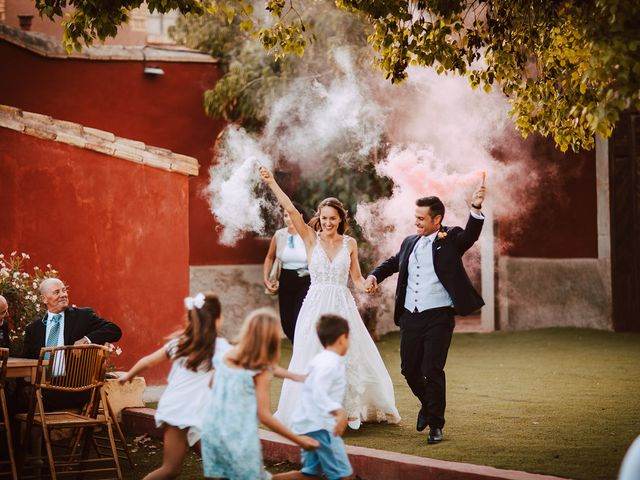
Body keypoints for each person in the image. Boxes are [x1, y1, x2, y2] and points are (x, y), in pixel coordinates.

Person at [259, 166, 400, 430]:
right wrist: (272, 182)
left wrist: (368, 284)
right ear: (319, 218)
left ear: (341, 219)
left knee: (350, 356)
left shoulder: (350, 244)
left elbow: (356, 279)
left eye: (333, 218)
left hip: (343, 303)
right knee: (310, 354)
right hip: (315, 304)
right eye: (324, 218)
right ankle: (311, 411)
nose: (328, 222)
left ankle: (347, 411)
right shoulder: (310, 239)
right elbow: (290, 210)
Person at [366, 183, 486, 444]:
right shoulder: (410, 242)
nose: (416, 222)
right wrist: (375, 275)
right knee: (409, 369)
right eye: (416, 218)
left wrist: (475, 207)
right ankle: (427, 404)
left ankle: (436, 424)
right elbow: (393, 263)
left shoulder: (451, 238)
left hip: (439, 316)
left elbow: (470, 236)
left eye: (421, 219)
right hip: (411, 315)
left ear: (437, 219)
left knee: (432, 369)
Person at [118, 292, 226, 480]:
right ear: (218, 319)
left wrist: (129, 374)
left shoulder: (179, 344)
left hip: (175, 409)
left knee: (171, 469)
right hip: (192, 412)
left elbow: (148, 361)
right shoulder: (221, 347)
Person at [201, 308, 319, 480]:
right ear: (271, 340)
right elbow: (264, 416)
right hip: (239, 438)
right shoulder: (260, 371)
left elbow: (211, 384)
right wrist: (299, 440)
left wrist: (294, 376)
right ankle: (308, 476)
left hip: (212, 433)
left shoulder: (225, 356)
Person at [22, 277, 122, 410]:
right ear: (44, 299)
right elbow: (26, 361)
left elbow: (114, 331)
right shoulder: (34, 329)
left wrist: (87, 339)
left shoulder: (82, 316)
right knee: (14, 400)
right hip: (42, 388)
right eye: (57, 292)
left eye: (64, 290)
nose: (63, 294)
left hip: (73, 389)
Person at [273, 314, 353, 480]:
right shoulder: (330, 363)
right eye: (348, 338)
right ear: (342, 339)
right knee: (343, 475)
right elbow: (318, 392)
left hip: (309, 425)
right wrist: (338, 411)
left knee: (310, 475)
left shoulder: (320, 359)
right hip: (321, 427)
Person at [264, 206, 311, 343]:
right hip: (286, 279)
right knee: (287, 323)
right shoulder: (279, 235)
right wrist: (266, 279)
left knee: (299, 320)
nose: (288, 219)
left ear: (301, 216)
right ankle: (297, 347)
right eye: (285, 216)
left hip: (306, 280)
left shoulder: (309, 234)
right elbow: (269, 257)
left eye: (291, 215)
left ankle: (301, 351)